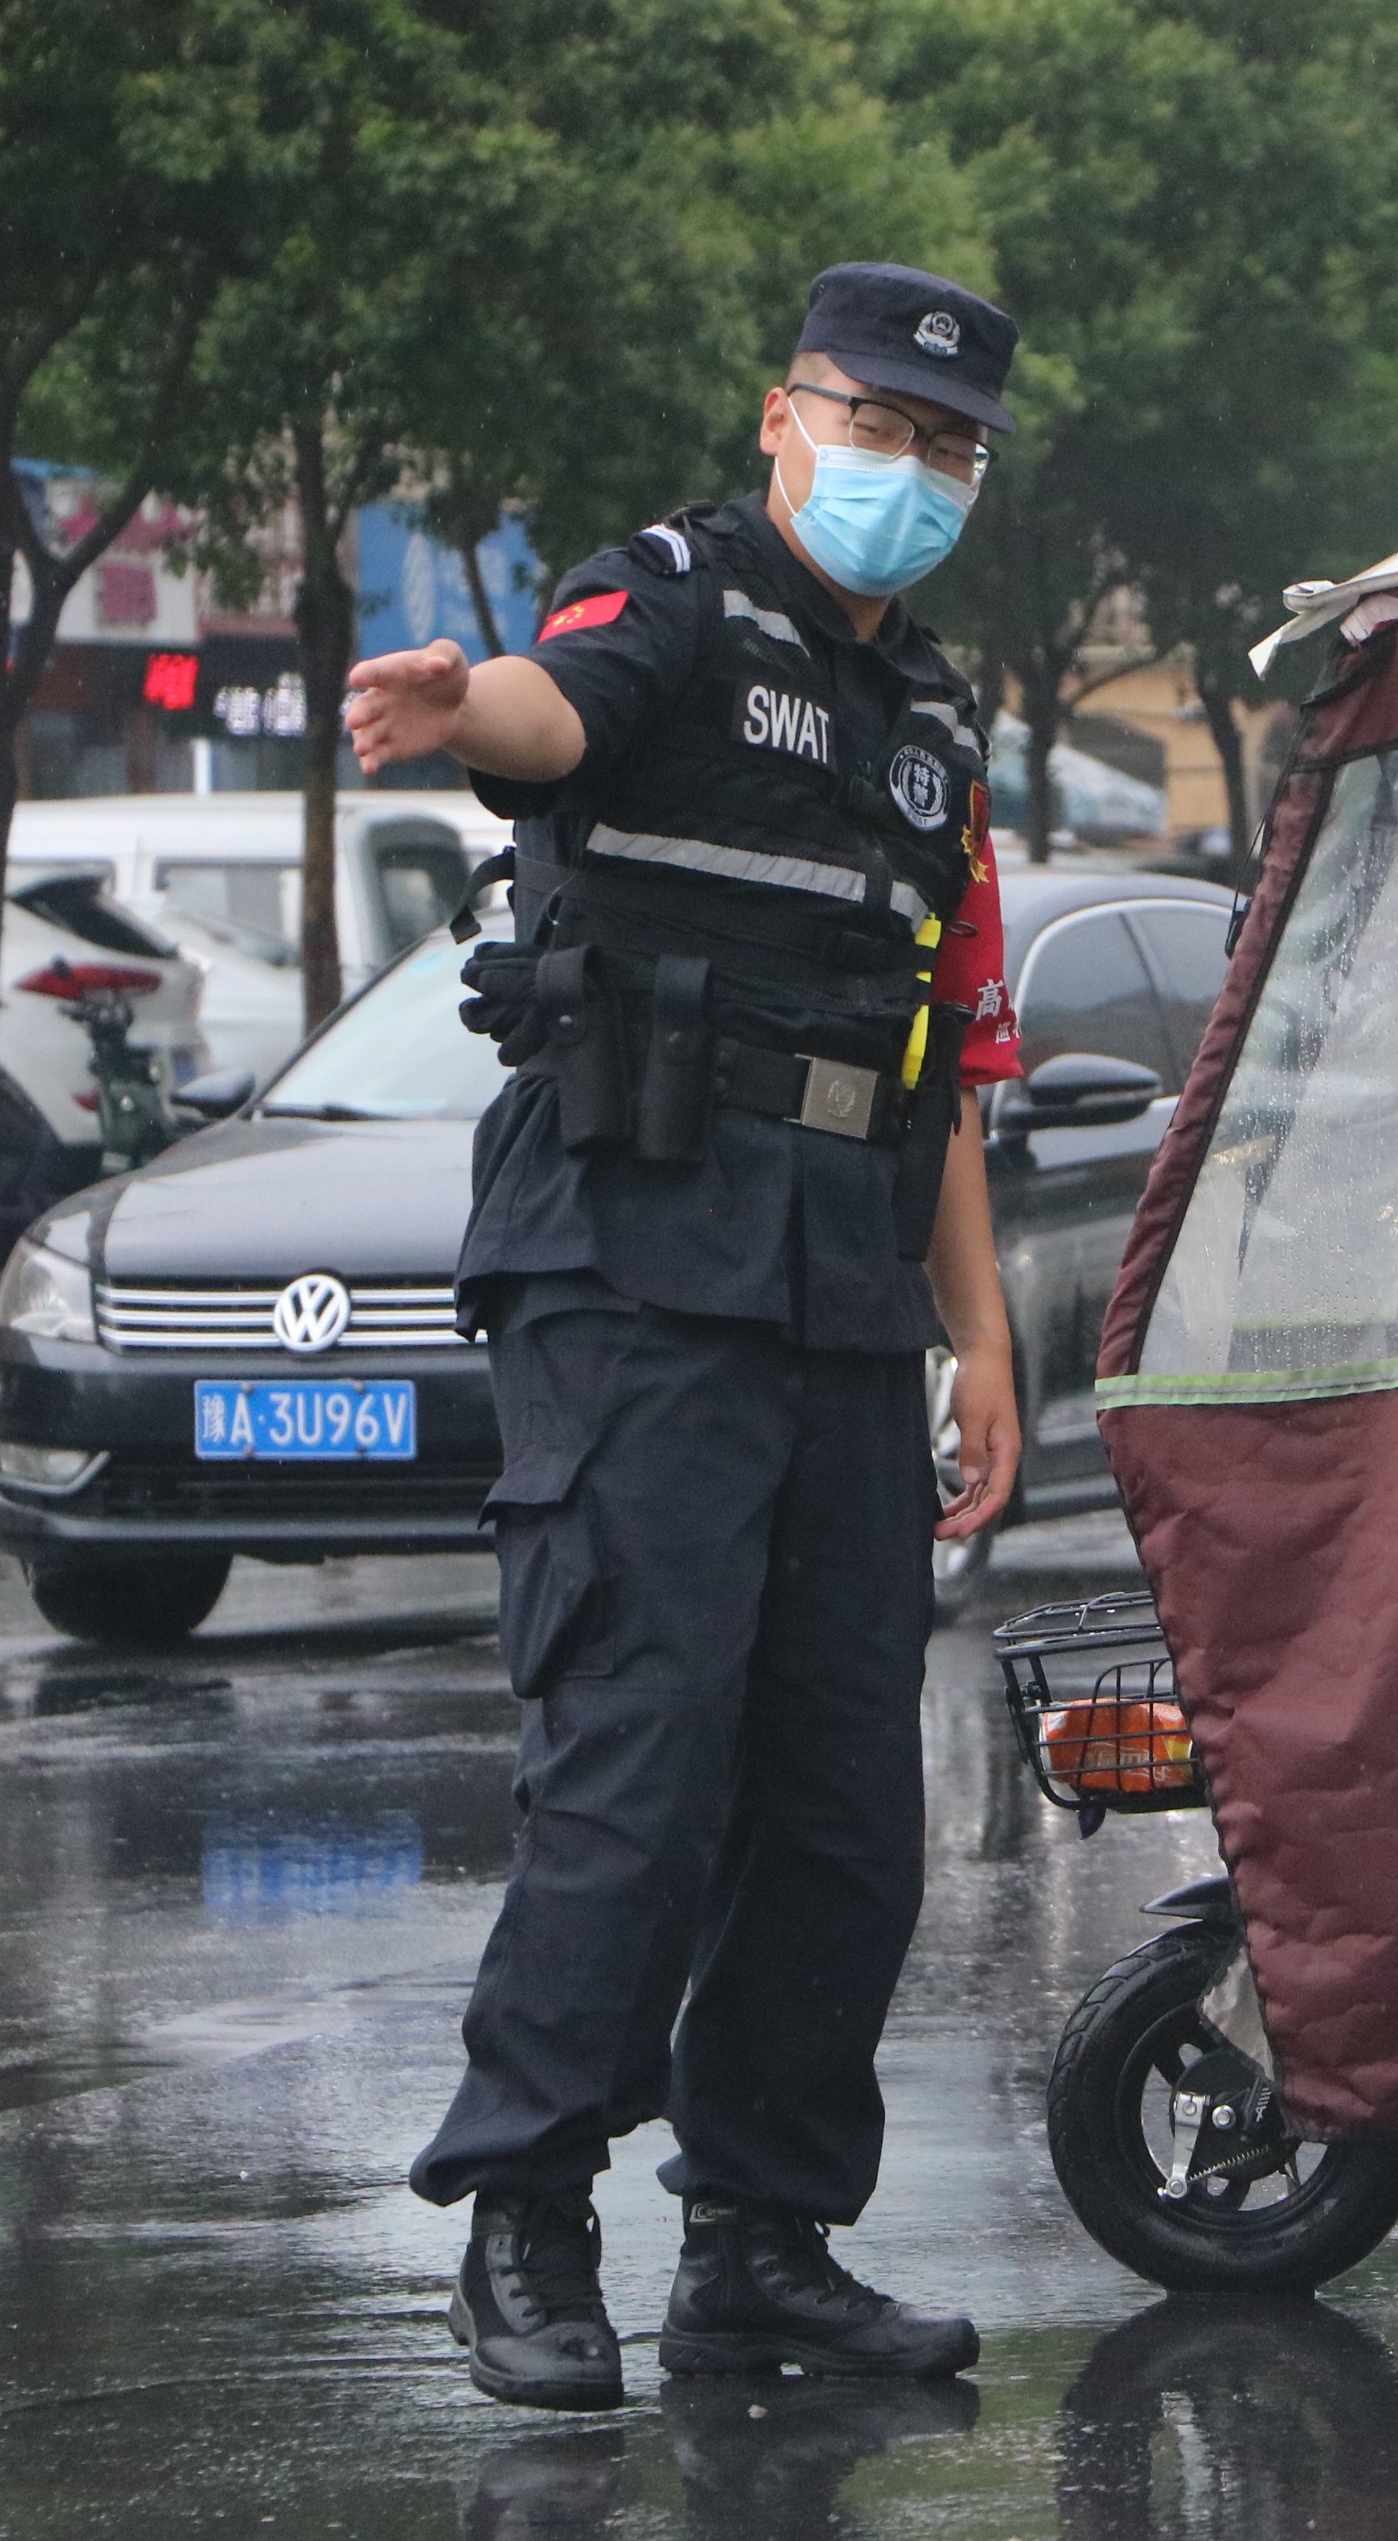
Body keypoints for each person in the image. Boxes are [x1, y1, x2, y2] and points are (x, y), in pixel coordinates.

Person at [338, 264, 1028, 2408]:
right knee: (635, 1767)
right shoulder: (667, 602)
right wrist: (465, 713)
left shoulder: (931, 720)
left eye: (946, 447)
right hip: (632, 1260)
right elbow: (553, 720)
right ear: (778, 416)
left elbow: (929, 1059)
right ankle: (527, 2218)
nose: (902, 474)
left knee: (842, 1796)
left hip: (839, 1275)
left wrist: (979, 1337)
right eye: (872, 424)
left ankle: (761, 2239)